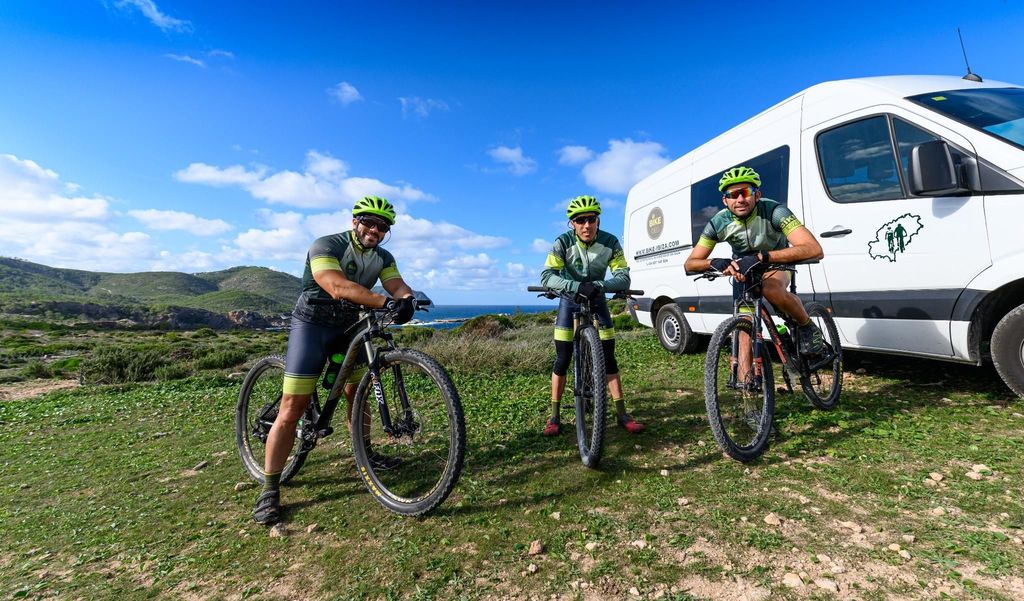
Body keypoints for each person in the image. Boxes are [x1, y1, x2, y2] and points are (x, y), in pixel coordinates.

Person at [253, 196, 417, 525]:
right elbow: (336, 285)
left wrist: (407, 299)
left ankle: (366, 454)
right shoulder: (327, 244)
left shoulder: (383, 256)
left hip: (348, 326)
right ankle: (270, 489)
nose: (375, 230)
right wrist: (385, 302)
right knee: (292, 407)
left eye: (383, 226)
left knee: (356, 393)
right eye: (370, 222)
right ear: (355, 221)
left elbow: (395, 284)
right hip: (312, 324)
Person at [683, 166, 826, 355]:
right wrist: (714, 262)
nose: (740, 199)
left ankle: (807, 327)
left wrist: (762, 257)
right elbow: (690, 263)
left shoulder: (775, 211)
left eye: (746, 193)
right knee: (744, 328)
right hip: (745, 270)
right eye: (733, 194)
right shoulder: (718, 222)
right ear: (725, 200)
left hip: (776, 262)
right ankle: (746, 382)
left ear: (757, 195)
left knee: (770, 288)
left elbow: (814, 249)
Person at [539, 195, 645, 436]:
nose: (587, 225)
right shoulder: (563, 242)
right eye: (580, 220)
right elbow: (547, 276)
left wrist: (599, 285)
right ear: (572, 224)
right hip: (570, 299)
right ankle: (554, 416)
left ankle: (621, 413)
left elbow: (623, 276)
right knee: (562, 359)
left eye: (592, 219)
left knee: (609, 358)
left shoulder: (610, 242)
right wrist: (575, 286)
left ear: (598, 221)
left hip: (597, 297)